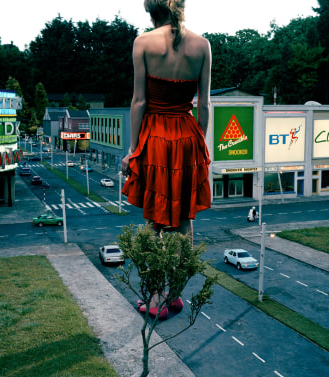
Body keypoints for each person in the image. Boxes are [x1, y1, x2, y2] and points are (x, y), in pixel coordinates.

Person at [121, 0, 212, 319]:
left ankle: (157, 298)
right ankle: (174, 294)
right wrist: (197, 142)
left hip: (155, 138)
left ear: (150, 11)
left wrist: (133, 149)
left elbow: (139, 101)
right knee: (184, 219)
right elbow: (204, 105)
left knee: (154, 221)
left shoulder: (143, 43)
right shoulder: (203, 45)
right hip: (187, 136)